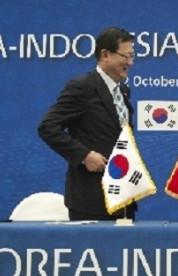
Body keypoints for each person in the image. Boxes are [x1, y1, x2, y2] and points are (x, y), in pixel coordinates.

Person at [37, 27, 136, 221]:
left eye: (132, 56)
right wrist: (84, 155)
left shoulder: (123, 91)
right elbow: (47, 126)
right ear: (105, 55)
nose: (130, 62)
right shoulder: (82, 87)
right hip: (91, 199)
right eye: (125, 56)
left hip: (123, 197)